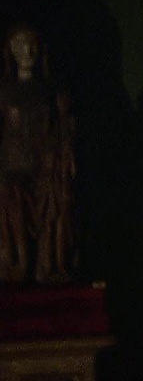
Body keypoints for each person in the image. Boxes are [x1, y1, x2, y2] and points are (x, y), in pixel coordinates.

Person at [0, 22, 76, 284]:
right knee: (9, 207)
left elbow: (63, 130)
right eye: (21, 45)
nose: (27, 51)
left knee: (56, 205)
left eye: (32, 45)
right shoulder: (4, 93)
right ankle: (15, 263)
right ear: (11, 49)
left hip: (46, 168)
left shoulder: (52, 91)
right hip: (11, 168)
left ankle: (49, 265)